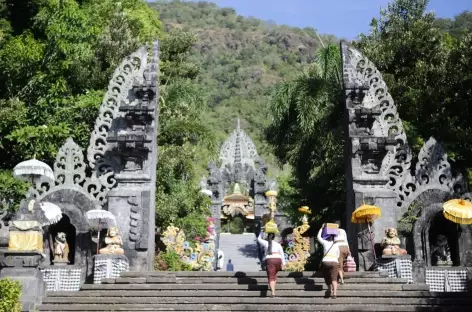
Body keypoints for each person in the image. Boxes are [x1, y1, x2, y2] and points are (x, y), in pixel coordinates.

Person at [257, 231, 285, 297]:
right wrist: (284, 263)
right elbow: (282, 254)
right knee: (274, 275)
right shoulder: (278, 244)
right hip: (278, 260)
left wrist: (261, 232)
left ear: (268, 237)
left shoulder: (266, 243)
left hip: (270, 260)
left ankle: (273, 292)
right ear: (274, 237)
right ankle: (273, 289)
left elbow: (258, 239)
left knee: (271, 277)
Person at [317, 224, 340, 299]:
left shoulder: (325, 243)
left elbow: (318, 237)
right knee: (334, 278)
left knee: (326, 277)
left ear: (327, 238)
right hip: (334, 262)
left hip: (325, 262)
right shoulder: (336, 245)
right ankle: (335, 293)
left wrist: (321, 228)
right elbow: (338, 255)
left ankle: (329, 288)